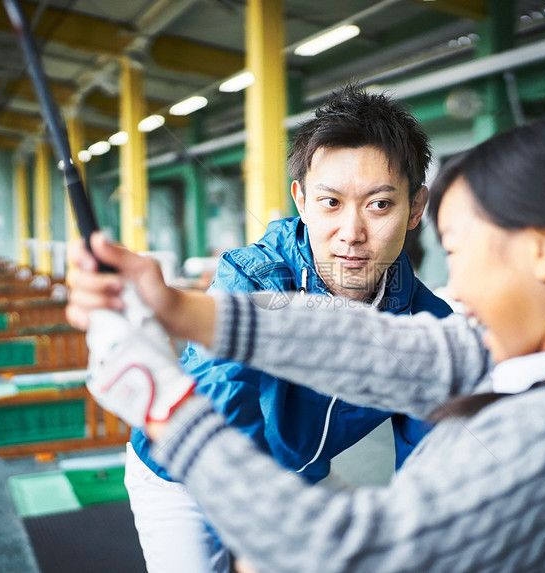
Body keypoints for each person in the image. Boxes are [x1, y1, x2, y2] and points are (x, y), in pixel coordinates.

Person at [69, 118, 545, 573]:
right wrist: (177, 308)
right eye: (331, 203)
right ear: (302, 200)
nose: (455, 286)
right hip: (193, 478)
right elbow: (384, 348)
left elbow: (339, 549)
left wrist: (159, 402)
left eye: (458, 250)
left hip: (282, 490)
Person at [119, 84, 452, 572]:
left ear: (416, 207)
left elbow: (428, 466)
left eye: (379, 205)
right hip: (181, 472)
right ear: (301, 200)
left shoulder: (427, 326)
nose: (352, 233)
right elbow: (223, 399)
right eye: (331, 203)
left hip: (298, 477)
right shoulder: (254, 275)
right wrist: (255, 545)